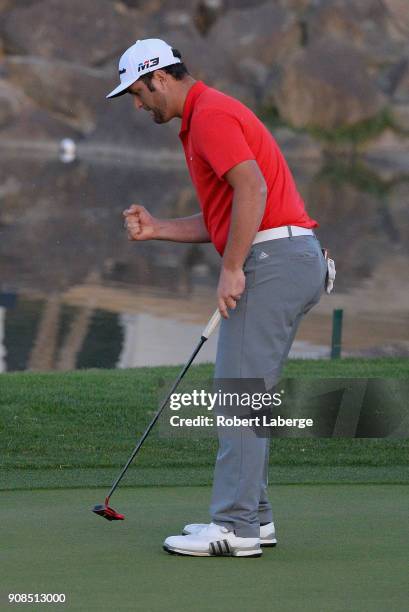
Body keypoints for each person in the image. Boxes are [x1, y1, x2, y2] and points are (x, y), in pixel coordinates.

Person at [107, 38, 327, 558]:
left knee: (239, 396)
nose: (137, 105)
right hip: (289, 258)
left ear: (158, 76)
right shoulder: (203, 117)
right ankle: (256, 519)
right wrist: (159, 228)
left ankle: (235, 527)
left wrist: (232, 269)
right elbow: (227, 216)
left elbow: (253, 191)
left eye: (138, 93)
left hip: (274, 261)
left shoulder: (209, 115)